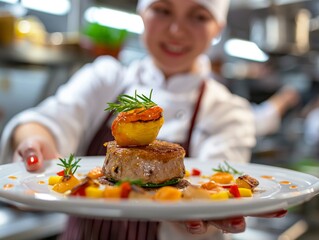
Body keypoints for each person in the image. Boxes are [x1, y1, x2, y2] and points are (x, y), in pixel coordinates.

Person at [0, 0, 286, 239]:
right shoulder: (106, 77)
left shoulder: (228, 110)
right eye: (162, 9)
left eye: (198, 16)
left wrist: (199, 211)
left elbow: (213, 186)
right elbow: (48, 120)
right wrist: (35, 140)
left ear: (217, 29)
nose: (176, 30)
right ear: (142, 15)